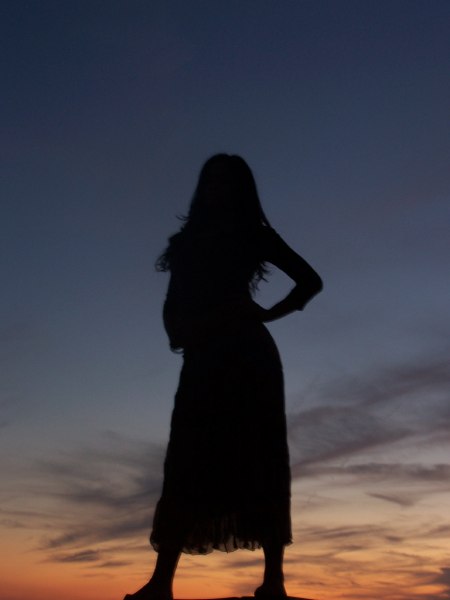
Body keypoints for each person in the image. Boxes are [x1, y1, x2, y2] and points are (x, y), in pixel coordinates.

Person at [124, 154, 322, 600]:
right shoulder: (188, 240)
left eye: (226, 181)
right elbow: (174, 298)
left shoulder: (255, 235)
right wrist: (179, 332)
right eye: (211, 180)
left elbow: (310, 281)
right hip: (203, 355)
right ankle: (161, 582)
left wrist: (268, 314)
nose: (217, 188)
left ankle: (273, 581)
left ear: (240, 188)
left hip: (249, 358)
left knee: (262, 458)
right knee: (187, 459)